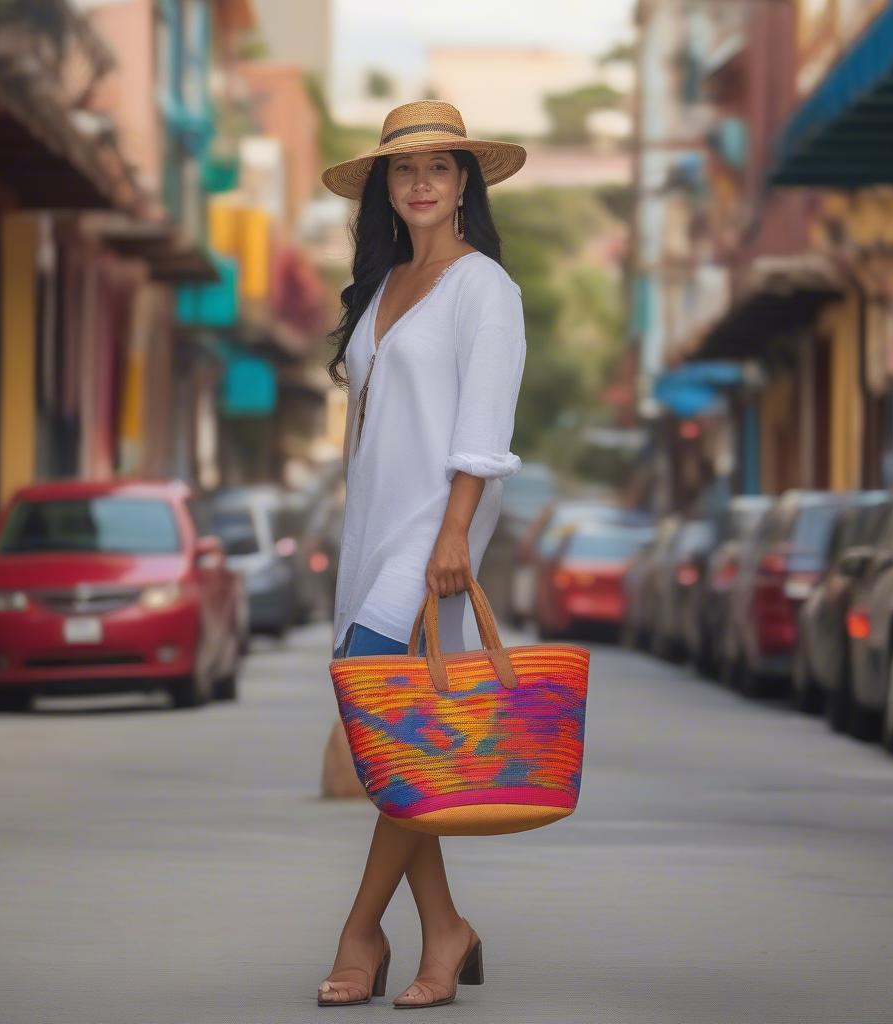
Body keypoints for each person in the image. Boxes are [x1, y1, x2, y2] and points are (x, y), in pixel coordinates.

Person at [317, 100, 528, 1008]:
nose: (422, 184)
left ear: (464, 185)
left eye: (440, 169)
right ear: (385, 191)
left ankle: (360, 932)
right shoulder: (382, 286)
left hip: (435, 528)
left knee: (389, 720)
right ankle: (445, 929)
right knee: (394, 734)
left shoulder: (487, 287)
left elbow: (483, 421)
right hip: (373, 528)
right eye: (404, 171)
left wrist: (453, 534)